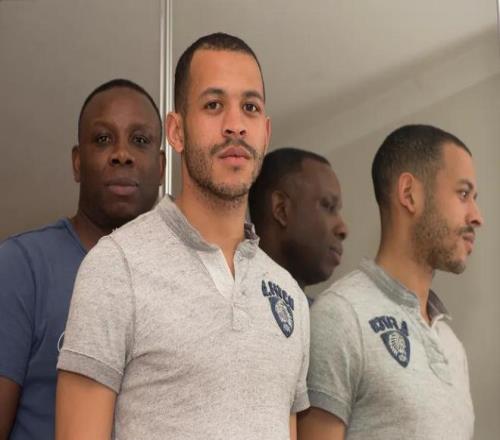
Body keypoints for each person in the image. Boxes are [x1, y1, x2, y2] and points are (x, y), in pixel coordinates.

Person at [56, 32, 310, 440]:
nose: (235, 125)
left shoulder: (290, 296)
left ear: (265, 132)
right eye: (213, 105)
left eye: (249, 107)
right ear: (176, 131)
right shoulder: (115, 267)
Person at [0, 78, 165, 440]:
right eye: (103, 139)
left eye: (140, 140)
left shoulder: (182, 278)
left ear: (161, 167)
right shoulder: (21, 266)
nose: (122, 154)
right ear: (77, 163)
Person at [298, 124, 483, 440]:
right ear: (409, 194)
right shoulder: (340, 317)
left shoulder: (452, 346)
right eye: (463, 194)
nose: (477, 216)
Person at [249, 147, 348, 290]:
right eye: (328, 206)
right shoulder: (225, 297)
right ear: (281, 209)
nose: (343, 230)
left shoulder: (326, 305)